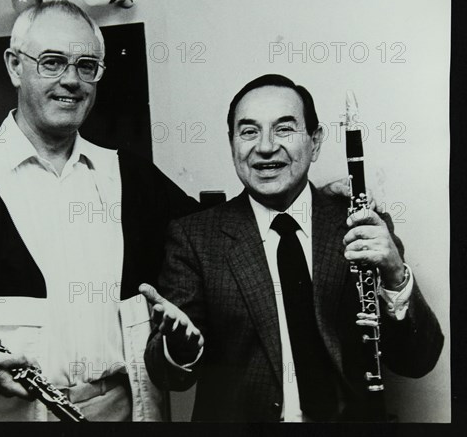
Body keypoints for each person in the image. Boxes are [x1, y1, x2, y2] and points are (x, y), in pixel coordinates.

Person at [0, 0, 200, 421]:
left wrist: (306, 198)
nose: (71, 80)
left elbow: (217, 239)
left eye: (87, 66)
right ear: (14, 66)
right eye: (52, 62)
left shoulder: (132, 177)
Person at [142, 74, 444, 422]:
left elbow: (418, 360)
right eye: (249, 131)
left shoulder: (361, 225)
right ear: (231, 144)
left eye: (284, 129)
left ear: (315, 142)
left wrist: (395, 275)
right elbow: (168, 377)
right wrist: (178, 347)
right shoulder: (194, 237)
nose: (266, 146)